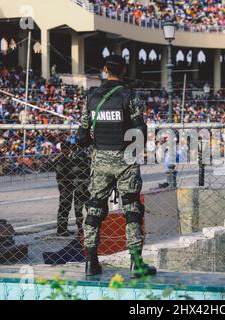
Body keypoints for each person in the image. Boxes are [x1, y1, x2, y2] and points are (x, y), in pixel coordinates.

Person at [79, 54, 156, 278]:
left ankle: (91, 261)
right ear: (123, 69)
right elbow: (140, 131)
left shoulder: (91, 97)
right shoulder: (129, 95)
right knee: (132, 209)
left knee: (94, 210)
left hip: (100, 160)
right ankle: (136, 264)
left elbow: (82, 136)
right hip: (125, 159)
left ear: (104, 69)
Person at [53, 141, 89, 237]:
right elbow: (61, 175)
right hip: (65, 186)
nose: (68, 151)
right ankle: (61, 229)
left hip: (73, 185)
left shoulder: (72, 158)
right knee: (64, 207)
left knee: (70, 207)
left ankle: (65, 228)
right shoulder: (61, 160)